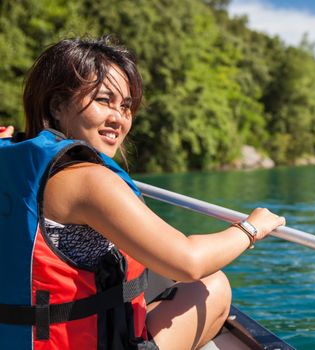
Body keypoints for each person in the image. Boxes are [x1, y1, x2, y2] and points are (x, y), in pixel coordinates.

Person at [0, 37, 285, 350]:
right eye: (104, 100)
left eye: (125, 106)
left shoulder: (12, 159)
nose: (119, 118)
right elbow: (188, 262)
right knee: (212, 286)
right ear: (57, 105)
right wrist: (252, 227)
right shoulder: (87, 180)